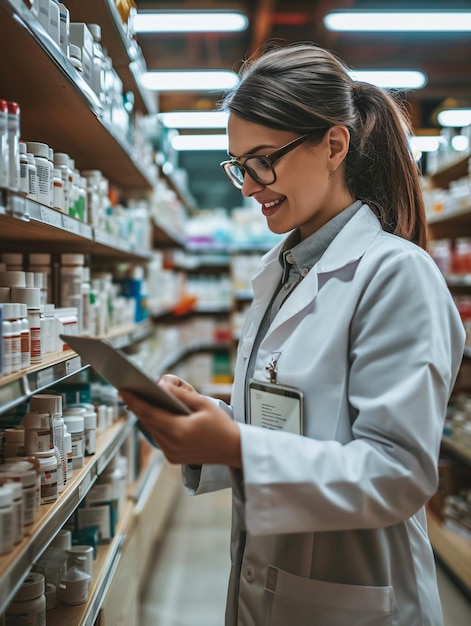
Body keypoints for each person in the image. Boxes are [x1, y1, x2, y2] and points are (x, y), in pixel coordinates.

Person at [120, 43, 465, 626]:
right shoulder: (281, 270)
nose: (249, 186)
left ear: (334, 145)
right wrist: (217, 420)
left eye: (261, 160)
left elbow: (398, 474)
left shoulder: (396, 274)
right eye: (238, 166)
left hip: (358, 598)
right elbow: (298, 419)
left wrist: (234, 447)